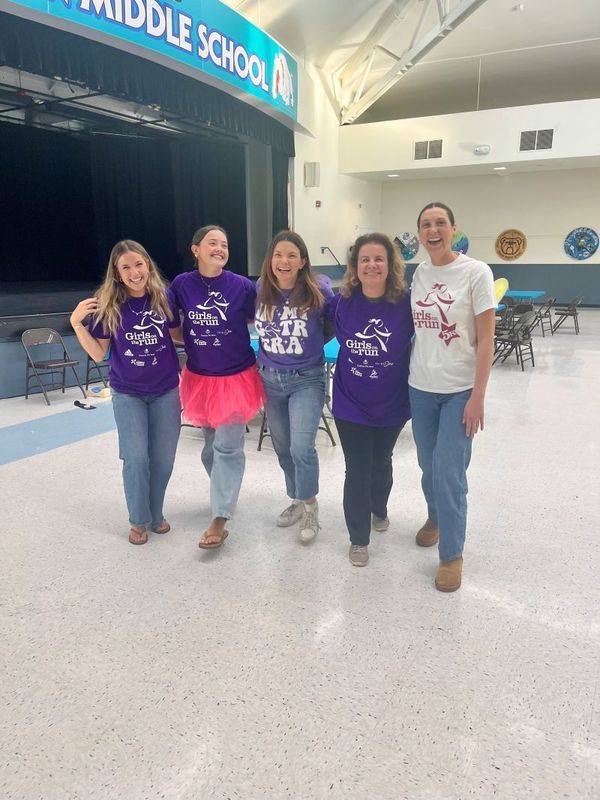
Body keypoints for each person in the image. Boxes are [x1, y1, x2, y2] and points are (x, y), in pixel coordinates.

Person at [70, 240, 181, 545]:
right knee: (136, 458)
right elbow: (97, 353)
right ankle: (138, 519)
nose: (134, 272)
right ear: (117, 274)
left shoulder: (164, 297)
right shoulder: (109, 306)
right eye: (126, 267)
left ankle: (155, 514)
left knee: (163, 459)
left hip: (167, 391)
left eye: (139, 264)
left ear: (148, 265)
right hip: (128, 393)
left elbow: (178, 337)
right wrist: (76, 324)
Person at [409, 202, 495, 592]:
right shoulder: (419, 273)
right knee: (429, 467)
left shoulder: (476, 272)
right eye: (426, 224)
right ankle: (436, 516)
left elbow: (487, 338)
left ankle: (451, 554)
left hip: (460, 391)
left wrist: (478, 396)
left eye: (440, 223)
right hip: (421, 388)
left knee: (449, 471)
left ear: (453, 228)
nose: (433, 230)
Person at [169, 225, 264, 550]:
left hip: (236, 377)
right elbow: (173, 327)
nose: (220, 249)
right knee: (210, 450)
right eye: (213, 243)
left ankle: (220, 518)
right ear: (195, 249)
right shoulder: (182, 284)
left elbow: (255, 321)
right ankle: (225, 492)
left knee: (227, 447)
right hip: (200, 378)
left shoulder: (241, 286)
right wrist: (193, 338)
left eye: (224, 244)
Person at [327, 233, 414, 567]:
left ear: (390, 265)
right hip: (351, 403)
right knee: (357, 470)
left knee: (382, 463)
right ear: (355, 266)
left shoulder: (406, 301)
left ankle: (380, 507)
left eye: (379, 259)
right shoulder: (341, 301)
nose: (372, 265)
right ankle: (358, 540)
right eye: (365, 259)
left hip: (392, 402)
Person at [255, 231, 334, 543]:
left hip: (307, 378)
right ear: (271, 260)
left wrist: (304, 350)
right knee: (284, 447)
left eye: (291, 255)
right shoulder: (261, 289)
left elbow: (330, 328)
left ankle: (311, 505)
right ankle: (297, 499)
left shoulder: (319, 290)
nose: (283, 261)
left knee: (302, 447)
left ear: (302, 261)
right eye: (278, 255)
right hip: (269, 379)